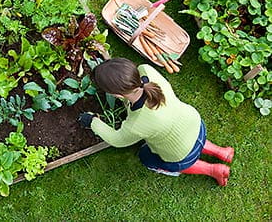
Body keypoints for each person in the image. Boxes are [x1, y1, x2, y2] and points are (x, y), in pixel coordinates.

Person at [78, 58, 234, 186]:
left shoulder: (137, 123)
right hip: (195, 124)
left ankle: (213, 170)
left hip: (180, 153)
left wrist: (92, 121)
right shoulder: (147, 71)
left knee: (146, 157)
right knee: (188, 137)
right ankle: (222, 152)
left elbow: (117, 140)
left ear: (117, 95)